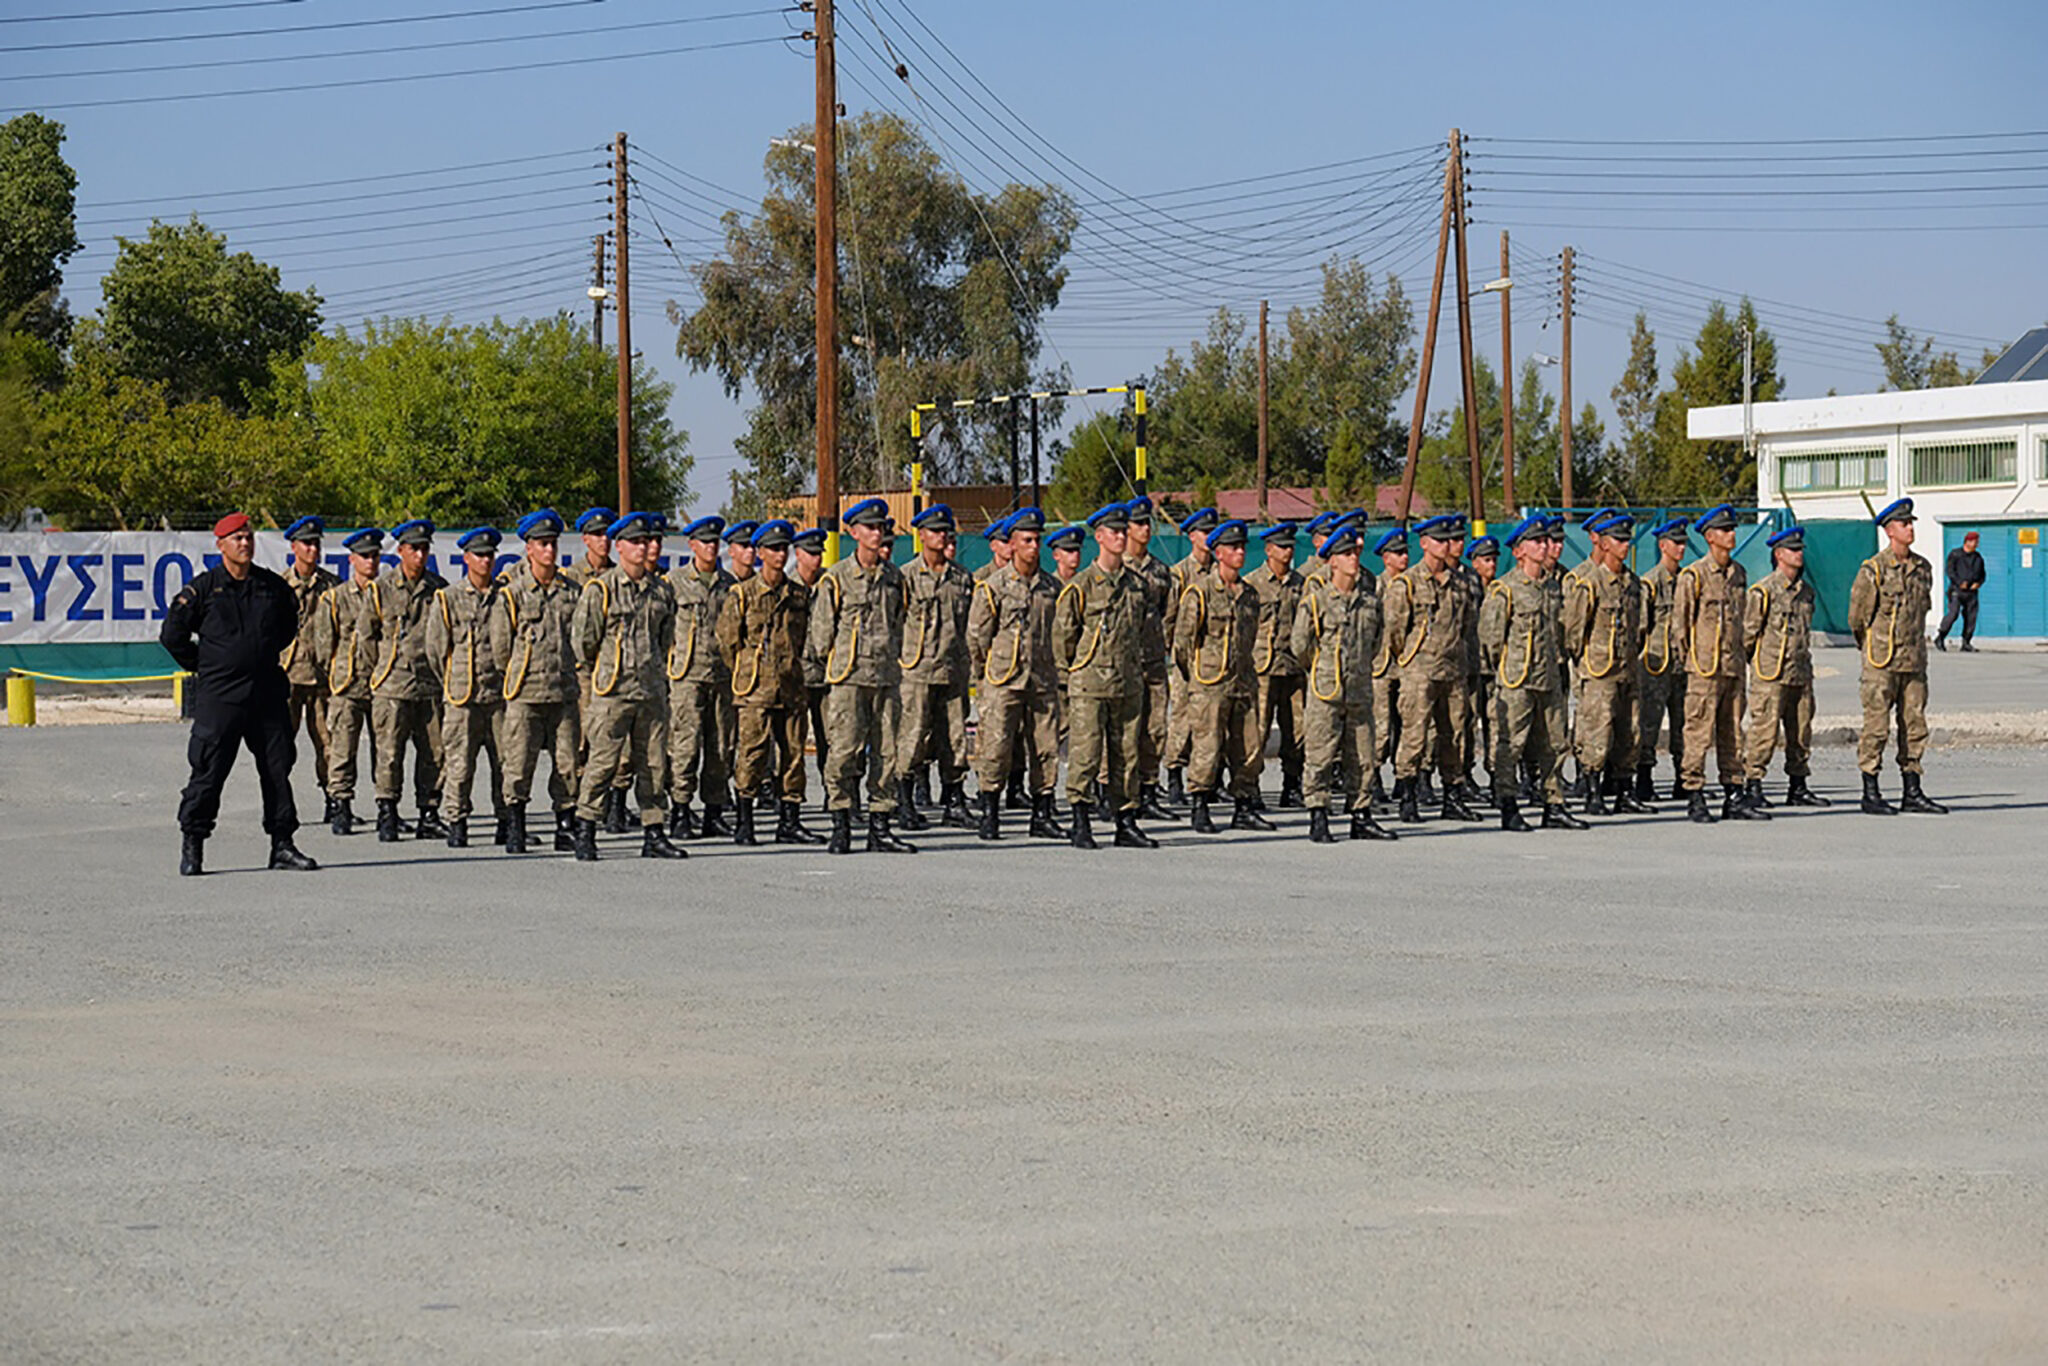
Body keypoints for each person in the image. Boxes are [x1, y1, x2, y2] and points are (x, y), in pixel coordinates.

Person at [160, 512, 318, 875]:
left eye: (248, 537)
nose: (244, 543)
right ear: (220, 545)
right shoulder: (202, 590)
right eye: (236, 538)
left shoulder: (271, 587)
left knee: (277, 770)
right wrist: (209, 664)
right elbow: (173, 636)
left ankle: (282, 845)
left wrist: (255, 656)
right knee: (209, 771)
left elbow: (286, 628)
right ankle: (193, 844)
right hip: (221, 697)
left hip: (265, 693)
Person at [570, 512, 686, 860]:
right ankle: (586, 828)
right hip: (612, 692)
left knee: (653, 765)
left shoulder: (661, 589)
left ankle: (654, 832)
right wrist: (606, 672)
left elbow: (666, 638)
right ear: (619, 546)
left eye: (647, 541)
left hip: (650, 691)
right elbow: (583, 642)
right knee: (603, 763)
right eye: (635, 542)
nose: (643, 547)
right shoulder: (601, 590)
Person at [811, 497, 915, 854]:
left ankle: (880, 825)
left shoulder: (894, 577)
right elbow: (821, 635)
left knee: (887, 752)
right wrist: (841, 662)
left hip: (886, 676)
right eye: (870, 527)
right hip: (849, 677)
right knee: (843, 750)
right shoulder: (836, 578)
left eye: (881, 527)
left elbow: (901, 621)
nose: (877, 533)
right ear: (853, 532)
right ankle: (840, 820)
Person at [1053, 501, 1157, 849]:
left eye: (1123, 531)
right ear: (1099, 537)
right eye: (1114, 532)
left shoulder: (1137, 586)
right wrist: (1075, 675)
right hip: (1090, 683)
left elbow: (1142, 634)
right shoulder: (1081, 586)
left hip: (1127, 682)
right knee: (1085, 752)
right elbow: (1064, 639)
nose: (1121, 537)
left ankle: (1125, 821)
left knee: (1127, 753)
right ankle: (1081, 819)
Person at [717, 518, 821, 845]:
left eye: (783, 549)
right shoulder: (742, 594)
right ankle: (745, 822)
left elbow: (805, 636)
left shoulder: (798, 594)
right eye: (773, 549)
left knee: (792, 757)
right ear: (760, 553)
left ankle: (789, 821)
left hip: (790, 685)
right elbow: (728, 642)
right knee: (752, 754)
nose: (779, 555)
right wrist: (748, 671)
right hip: (755, 690)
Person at [1478, 515, 1584, 832]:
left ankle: (1554, 804)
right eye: (1536, 542)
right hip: (1516, 681)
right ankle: (1508, 805)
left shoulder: (1553, 587)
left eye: (1545, 541)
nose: (1544, 546)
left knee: (1554, 744)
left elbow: (1560, 631)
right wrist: (1503, 673)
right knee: (1510, 745)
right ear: (1520, 551)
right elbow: (1491, 640)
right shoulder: (1505, 590)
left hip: (1549, 676)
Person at [1290, 523, 1395, 842]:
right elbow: (1300, 645)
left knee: (1362, 755)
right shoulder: (1316, 600)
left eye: (1355, 553)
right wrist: (1322, 669)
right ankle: (1318, 813)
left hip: (1360, 689)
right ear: (1332, 561)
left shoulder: (1370, 602)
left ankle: (1360, 814)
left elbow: (1376, 642)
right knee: (1320, 753)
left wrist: (1358, 669)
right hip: (1326, 689)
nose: (1353, 558)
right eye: (1346, 554)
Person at [965, 507, 1064, 841]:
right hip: (1003, 679)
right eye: (1027, 540)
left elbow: (1059, 632)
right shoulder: (993, 586)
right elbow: (977, 637)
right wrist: (985, 674)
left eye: (1037, 540)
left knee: (1045, 747)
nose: (1034, 546)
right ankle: (990, 812)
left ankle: (1042, 813)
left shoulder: (1051, 587)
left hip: (1041, 678)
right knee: (995, 746)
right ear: (1012, 544)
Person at [1849, 498, 1949, 816]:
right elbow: (1857, 618)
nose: (1910, 527)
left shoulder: (1922, 569)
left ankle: (1912, 790)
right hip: (1881, 662)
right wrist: (1872, 648)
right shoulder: (1873, 569)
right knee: (1876, 728)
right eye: (1904, 524)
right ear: (1890, 530)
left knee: (1915, 725)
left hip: (1913, 660)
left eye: (1911, 523)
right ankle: (1871, 791)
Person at [492, 509, 583, 854]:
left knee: (568, 763)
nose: (550, 551)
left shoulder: (571, 592)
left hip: (562, 691)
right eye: (543, 544)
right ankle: (515, 824)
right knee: (518, 762)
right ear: (528, 548)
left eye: (553, 544)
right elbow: (502, 649)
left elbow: (582, 637)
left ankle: (565, 825)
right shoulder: (513, 594)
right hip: (525, 692)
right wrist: (518, 675)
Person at [1382, 514, 1481, 823]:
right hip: (1419, 671)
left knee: (1454, 736)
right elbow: (1395, 631)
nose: (1445, 545)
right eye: (1438, 540)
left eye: (1448, 539)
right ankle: (1408, 794)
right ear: (1424, 543)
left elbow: (1467, 625)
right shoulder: (1406, 584)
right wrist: (1411, 658)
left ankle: (1452, 795)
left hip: (1452, 670)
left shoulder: (1461, 583)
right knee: (1414, 734)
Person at [1174, 518, 1269, 834]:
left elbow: (1251, 637)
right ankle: (1200, 803)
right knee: (1207, 745)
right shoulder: (1199, 593)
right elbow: (1183, 643)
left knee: (1248, 747)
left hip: (1243, 680)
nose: (1240, 552)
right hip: (1209, 683)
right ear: (1217, 552)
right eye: (1233, 547)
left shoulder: (1250, 595)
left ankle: (1243, 805)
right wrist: (1198, 679)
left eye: (1242, 547)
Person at [1671, 504, 1763, 823]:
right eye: (1725, 530)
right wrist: (1694, 662)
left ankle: (1733, 794)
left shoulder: (1738, 574)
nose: (1732, 534)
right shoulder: (1693, 576)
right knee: (1697, 732)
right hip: (1704, 669)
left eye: (1732, 529)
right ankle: (1695, 794)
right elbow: (1680, 627)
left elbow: (1744, 621)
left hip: (1732, 666)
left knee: (1733, 732)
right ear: (1710, 537)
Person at [425, 525, 511, 849]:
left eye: (490, 555)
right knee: (459, 763)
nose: (486, 560)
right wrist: (453, 679)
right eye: (480, 555)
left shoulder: (505, 596)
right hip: (462, 697)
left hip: (499, 693)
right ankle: (457, 821)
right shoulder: (448, 598)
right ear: (466, 558)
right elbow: (436, 650)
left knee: (505, 762)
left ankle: (506, 821)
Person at [1562, 513, 1651, 816]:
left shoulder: (1634, 584)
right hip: (1599, 670)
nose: (1625, 545)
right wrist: (1585, 662)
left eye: (1627, 540)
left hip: (1627, 668)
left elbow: (1641, 627)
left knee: (1630, 732)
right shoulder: (1590, 583)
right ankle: (1591, 791)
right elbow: (1573, 631)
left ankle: (1624, 791)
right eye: (1618, 540)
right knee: (1596, 733)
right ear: (1605, 543)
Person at [367, 519, 449, 842]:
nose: (420, 554)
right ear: (400, 551)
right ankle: (387, 811)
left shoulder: (438, 588)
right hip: (393, 684)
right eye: (414, 548)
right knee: (389, 751)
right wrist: (383, 670)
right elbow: (366, 638)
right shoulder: (382, 588)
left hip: (429, 682)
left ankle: (429, 813)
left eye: (425, 548)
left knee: (434, 752)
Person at [896, 503, 976, 830]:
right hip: (916, 671)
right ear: (921, 536)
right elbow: (895, 621)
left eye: (945, 531)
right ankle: (903, 800)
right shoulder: (906, 577)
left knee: (955, 738)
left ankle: (954, 800)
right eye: (936, 531)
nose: (942, 536)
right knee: (913, 737)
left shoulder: (962, 578)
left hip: (953, 669)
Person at [1743, 524, 1828, 809]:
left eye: (1800, 549)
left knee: (1801, 732)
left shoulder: (1807, 593)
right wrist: (1756, 666)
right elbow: (1747, 635)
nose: (1799, 554)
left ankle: (1798, 786)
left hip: (1800, 673)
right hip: (1771, 674)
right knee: (1764, 732)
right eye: (1793, 550)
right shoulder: (1763, 592)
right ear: (1779, 554)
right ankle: (1753, 784)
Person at [664, 515, 736, 841]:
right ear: (691, 545)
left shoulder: (729, 583)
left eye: (714, 541)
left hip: (722, 674)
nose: (711, 547)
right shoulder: (674, 582)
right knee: (685, 746)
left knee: (721, 746)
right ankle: (680, 809)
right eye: (704, 541)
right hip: (687, 676)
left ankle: (714, 811)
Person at [566, 506, 634, 833]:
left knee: (619, 743)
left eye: (607, 534)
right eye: (596, 535)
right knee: (584, 741)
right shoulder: (572, 579)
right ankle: (585, 807)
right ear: (585, 539)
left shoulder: (621, 577)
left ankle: (616, 807)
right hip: (583, 673)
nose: (602, 540)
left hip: (615, 674)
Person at [312, 527, 384, 837]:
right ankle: (341, 805)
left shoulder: (386, 593)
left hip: (382, 682)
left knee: (386, 751)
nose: (370, 561)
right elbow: (324, 645)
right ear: (352, 559)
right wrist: (337, 674)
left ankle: (387, 807)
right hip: (346, 684)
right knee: (342, 748)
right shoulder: (335, 598)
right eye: (365, 556)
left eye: (375, 555)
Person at [278, 515, 339, 823]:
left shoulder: (331, 586)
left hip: (321, 677)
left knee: (328, 742)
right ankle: (280, 802)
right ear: (294, 547)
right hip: (287, 676)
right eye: (307, 544)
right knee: (282, 744)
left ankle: (334, 799)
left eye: (316, 543)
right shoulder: (279, 585)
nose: (313, 549)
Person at [1246, 521, 1307, 808]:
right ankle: (1251, 787)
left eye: (1291, 546)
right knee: (1256, 730)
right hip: (1262, 668)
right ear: (1269, 550)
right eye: (1282, 546)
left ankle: (1291, 785)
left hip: (1293, 667)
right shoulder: (1253, 584)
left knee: (1297, 729)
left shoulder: (1300, 584)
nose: (1288, 550)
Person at [1123, 496, 1176, 820]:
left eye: (1148, 523)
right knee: (1124, 731)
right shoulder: (1119, 568)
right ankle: (1116, 791)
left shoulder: (1160, 570)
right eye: (1139, 523)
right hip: (1125, 662)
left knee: (1155, 729)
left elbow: (1168, 614)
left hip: (1154, 661)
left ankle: (1148, 790)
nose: (1145, 529)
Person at [1164, 507, 1219, 805]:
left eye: (1212, 531)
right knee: (1183, 718)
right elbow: (1170, 620)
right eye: (1204, 532)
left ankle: (1211, 778)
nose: (1209, 537)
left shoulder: (1218, 571)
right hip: (1188, 658)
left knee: (1212, 721)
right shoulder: (1181, 574)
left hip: (1215, 661)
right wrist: (1177, 658)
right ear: (1192, 536)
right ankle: (1174, 773)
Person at [1635, 517, 1690, 802]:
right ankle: (1644, 779)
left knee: (1684, 723)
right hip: (1655, 665)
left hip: (1682, 664)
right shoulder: (1650, 582)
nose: (1681, 548)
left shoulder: (1687, 579)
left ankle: (1684, 778)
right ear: (1662, 546)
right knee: (1649, 723)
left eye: (1683, 543)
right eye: (1675, 543)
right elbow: (1641, 627)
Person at [1368, 524, 1410, 805]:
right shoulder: (1375, 586)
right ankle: (1372, 778)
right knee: (1380, 728)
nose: (1404, 557)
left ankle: (1405, 779)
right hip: (1381, 665)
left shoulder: (1412, 585)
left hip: (1407, 663)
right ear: (1385, 558)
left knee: (1407, 726)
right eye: (1397, 553)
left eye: (1405, 552)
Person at [790, 524, 831, 799]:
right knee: (792, 741)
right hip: (797, 675)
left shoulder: (831, 583)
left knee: (831, 738)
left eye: (819, 553)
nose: (816, 558)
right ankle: (790, 799)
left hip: (827, 674)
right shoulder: (787, 587)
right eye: (810, 552)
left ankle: (835, 794)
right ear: (798, 553)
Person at [1461, 534, 1500, 803]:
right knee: (1466, 722)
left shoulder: (1499, 590)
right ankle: (1464, 775)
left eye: (1494, 559)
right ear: (1474, 562)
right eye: (1486, 560)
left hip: (1495, 668)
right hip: (1471, 666)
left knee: (1496, 724)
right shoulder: (1466, 587)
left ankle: (1498, 775)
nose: (1492, 564)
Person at [1936, 530, 1985, 652]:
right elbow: (1950, 571)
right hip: (1957, 591)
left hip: (1971, 592)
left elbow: (1983, 574)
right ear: (1967, 542)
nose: (1976, 544)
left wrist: (1978, 583)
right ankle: (1940, 637)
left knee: (1971, 617)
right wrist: (1959, 582)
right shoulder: (1956, 554)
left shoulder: (1978, 557)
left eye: (1977, 542)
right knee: (1953, 614)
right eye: (1974, 541)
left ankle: (1966, 642)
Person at [724, 519, 760, 584]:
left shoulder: (763, 583)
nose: (751, 550)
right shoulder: (723, 583)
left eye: (753, 546)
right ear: (731, 551)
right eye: (744, 546)